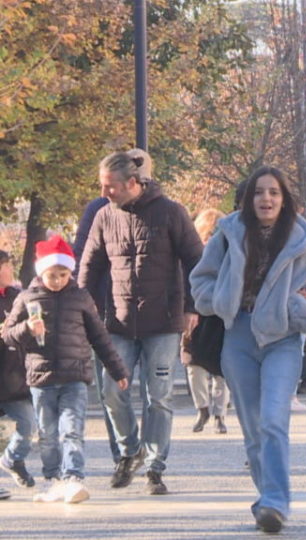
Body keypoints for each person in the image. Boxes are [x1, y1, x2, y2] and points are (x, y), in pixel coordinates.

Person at [191, 166, 306, 533]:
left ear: (284, 199)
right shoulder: (227, 233)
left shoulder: (302, 238)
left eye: (273, 192)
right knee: (254, 428)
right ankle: (268, 498)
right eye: (259, 192)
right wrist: (222, 300)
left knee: (273, 419)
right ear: (248, 199)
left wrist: (296, 308)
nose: (266, 199)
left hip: (281, 339)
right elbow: (200, 281)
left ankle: (275, 501)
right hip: (237, 337)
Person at [78, 151, 204, 495]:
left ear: (132, 183)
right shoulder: (104, 216)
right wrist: (81, 310)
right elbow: (89, 266)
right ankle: (129, 450)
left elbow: (196, 261)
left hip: (163, 322)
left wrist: (192, 307)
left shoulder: (171, 212)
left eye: (110, 186)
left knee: (158, 396)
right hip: (117, 322)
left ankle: (154, 466)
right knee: (110, 390)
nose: (104, 193)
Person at [2, 236, 129, 504]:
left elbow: (99, 337)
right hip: (41, 379)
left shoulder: (81, 298)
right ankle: (54, 480)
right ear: (41, 272)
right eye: (52, 275)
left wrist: (118, 371)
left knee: (72, 428)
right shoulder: (27, 298)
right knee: (48, 434)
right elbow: (8, 336)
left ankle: (73, 477)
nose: (58, 280)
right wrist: (27, 329)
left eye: (63, 274)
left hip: (75, 377)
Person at [73, 147, 153, 465]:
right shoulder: (99, 209)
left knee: (154, 391)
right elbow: (83, 256)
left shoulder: (161, 208)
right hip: (108, 312)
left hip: (153, 313)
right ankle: (122, 452)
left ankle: (150, 454)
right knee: (111, 386)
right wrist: (83, 304)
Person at [182, 209, 230, 435]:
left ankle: (220, 413)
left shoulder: (229, 254)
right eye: (207, 233)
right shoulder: (191, 255)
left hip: (220, 317)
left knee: (222, 370)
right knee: (193, 365)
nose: (210, 238)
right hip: (195, 316)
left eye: (215, 233)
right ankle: (202, 408)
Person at [0, 250, 35, 499]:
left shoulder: (18, 297)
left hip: (13, 377)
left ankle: (12, 459)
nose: (10, 269)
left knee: (28, 423)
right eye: (5, 265)